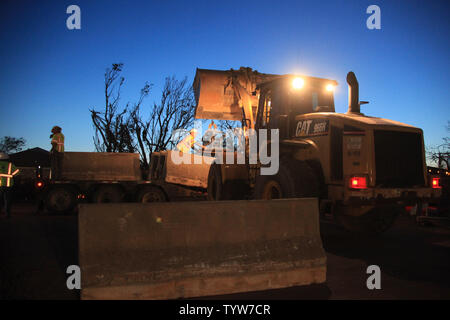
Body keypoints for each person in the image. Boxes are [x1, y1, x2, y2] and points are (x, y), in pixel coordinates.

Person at [0, 152, 19, 218]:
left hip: (0, 185)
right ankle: (7, 214)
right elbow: (17, 174)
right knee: (7, 200)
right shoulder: (10, 165)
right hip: (9, 185)